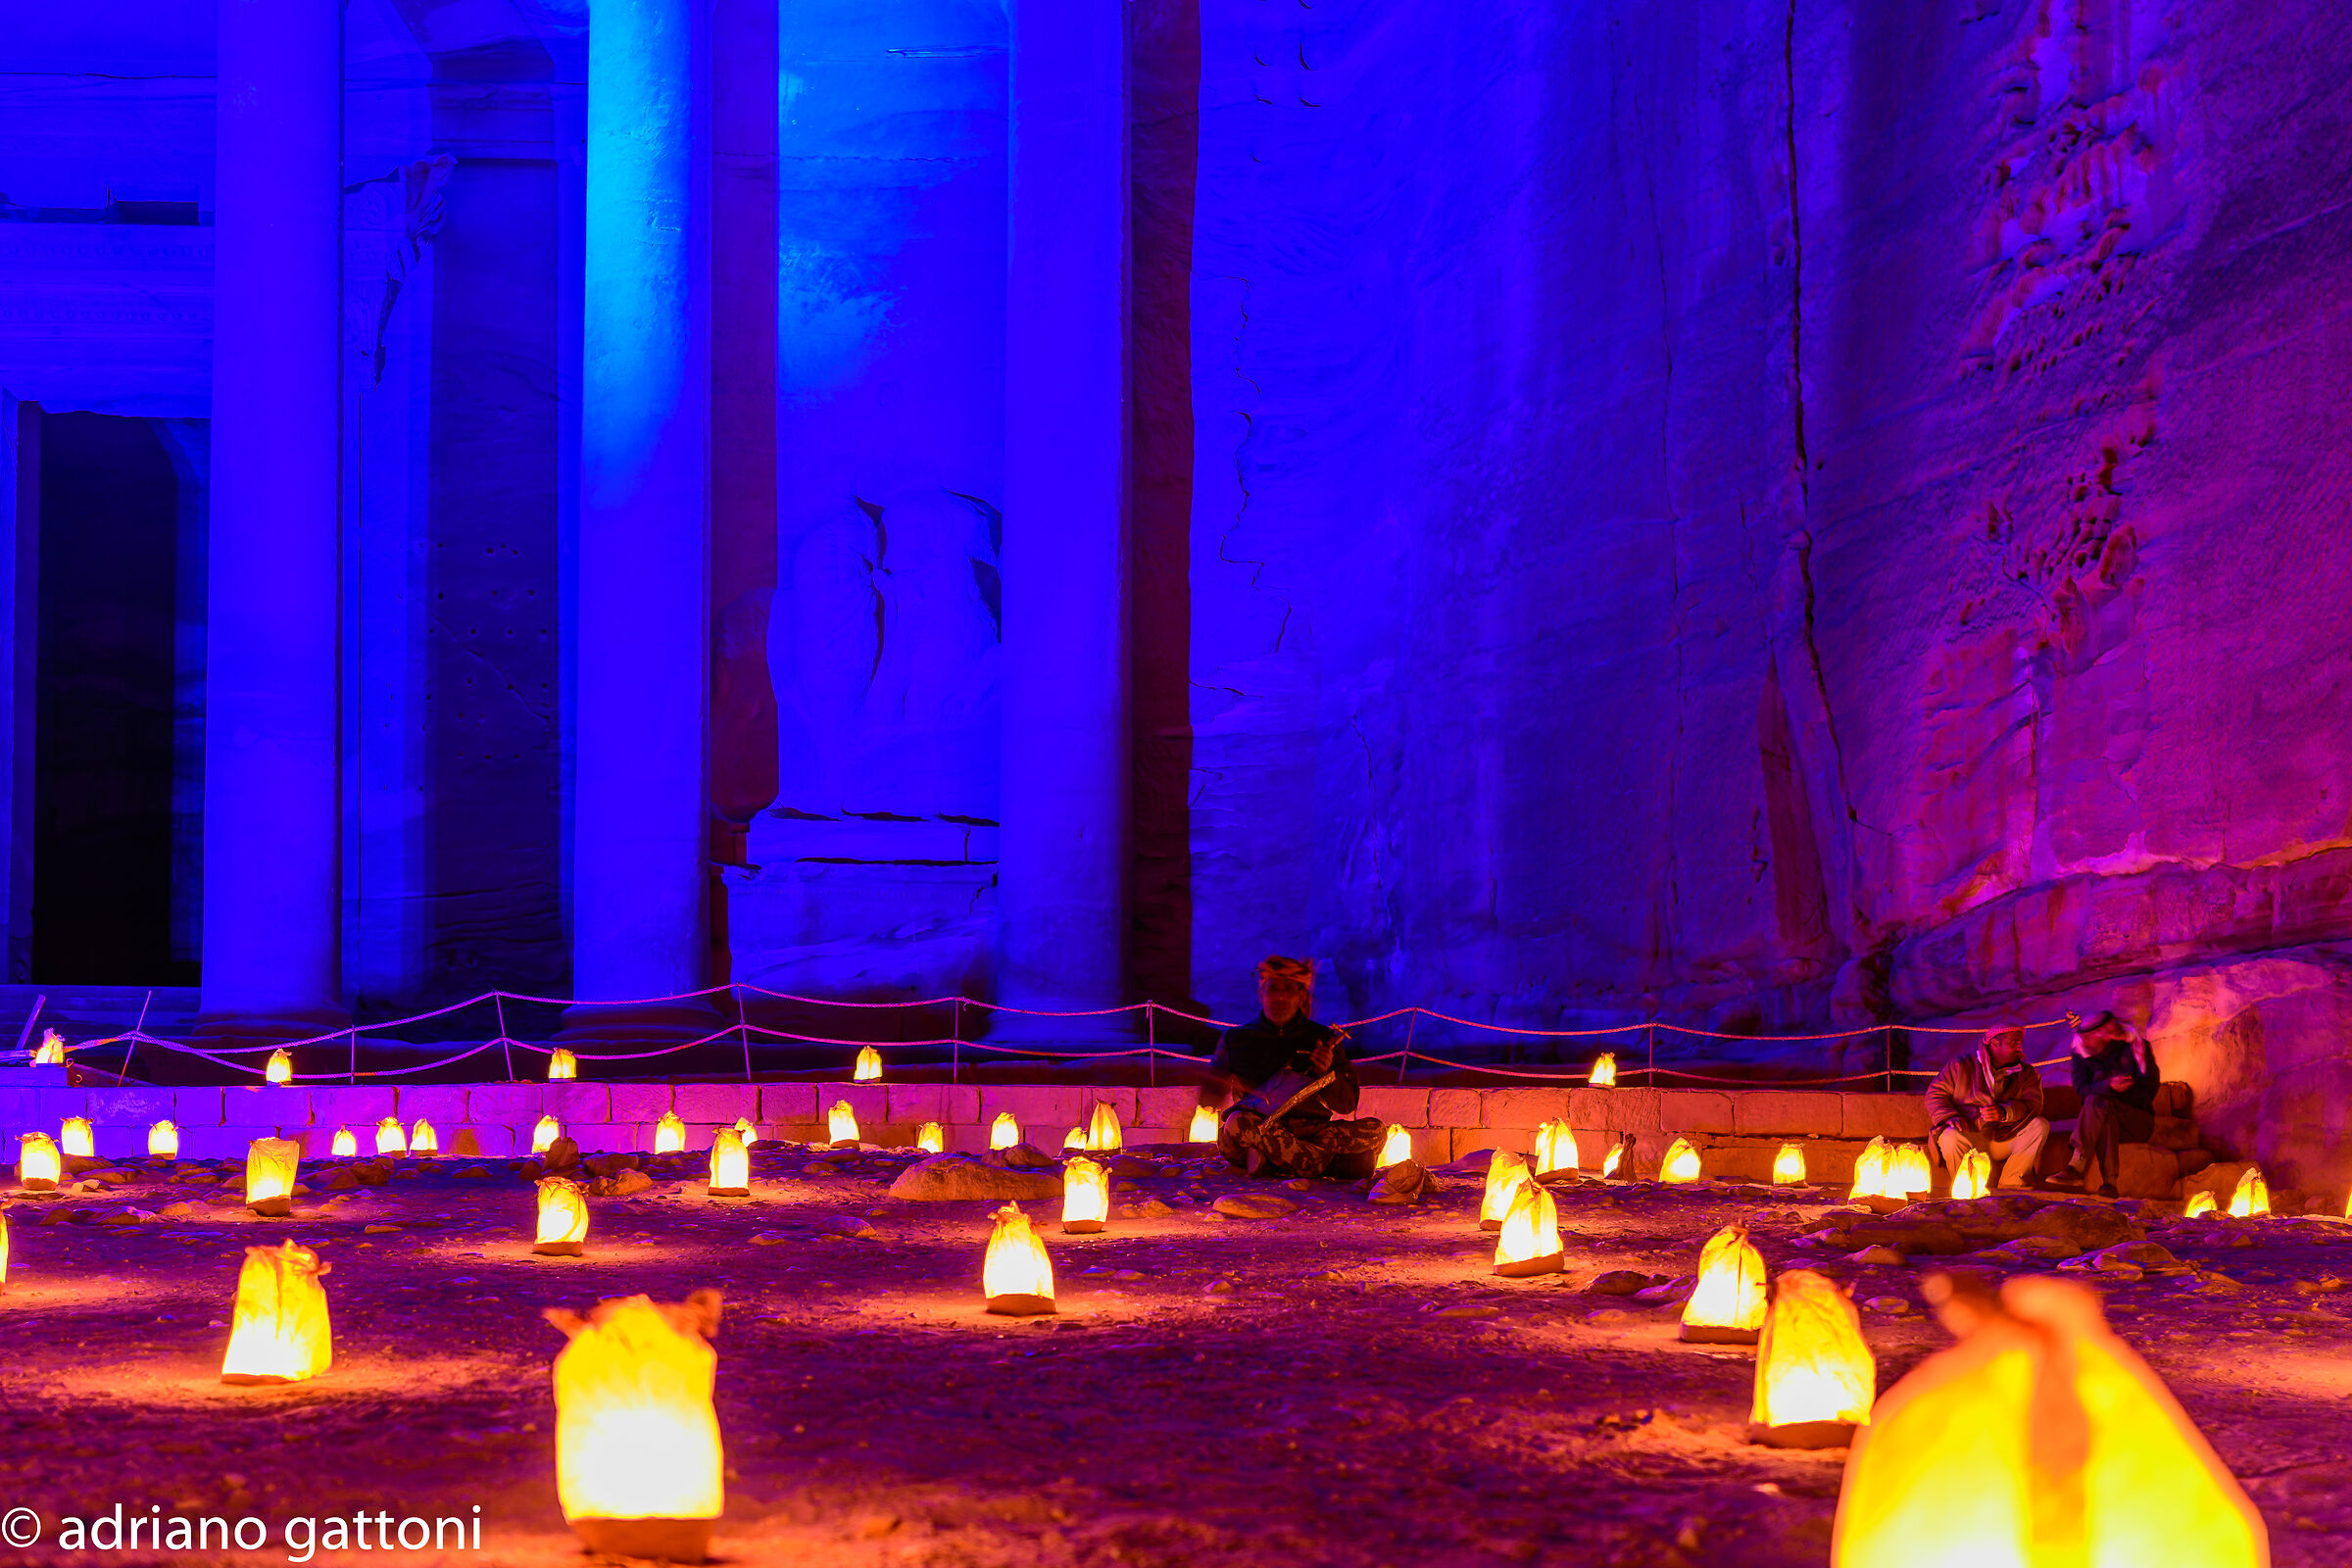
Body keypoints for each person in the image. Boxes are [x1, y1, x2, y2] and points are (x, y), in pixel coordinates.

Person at [1200, 956, 1387, 1180]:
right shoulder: (1237, 1039)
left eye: (1288, 989)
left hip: (1311, 1133)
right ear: (1261, 994)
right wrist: (1212, 1084)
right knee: (1237, 1124)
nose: (1279, 996)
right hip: (1260, 1128)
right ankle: (1331, 1165)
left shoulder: (1323, 1039)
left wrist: (1327, 1074)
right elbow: (1209, 1098)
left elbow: (1347, 1105)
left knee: (1376, 1130)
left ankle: (1272, 1162)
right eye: (1273, 989)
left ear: (1301, 995)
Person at [2048, 1010, 2159, 1199]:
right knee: (2101, 1107)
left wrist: (2123, 1090)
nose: (2087, 1041)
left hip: (2137, 1120)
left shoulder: (2135, 1047)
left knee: (2098, 1102)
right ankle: (2109, 1185)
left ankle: (2076, 1166)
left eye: (2093, 1036)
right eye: (2085, 1037)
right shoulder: (2081, 1054)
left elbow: (2148, 1091)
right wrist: (2108, 1086)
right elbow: (2082, 1088)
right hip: (2101, 1118)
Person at [1924, 1026, 2050, 1190]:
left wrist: (2005, 1113)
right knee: (1949, 1138)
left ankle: (2011, 1184)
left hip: (2004, 1137)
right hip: (1969, 1135)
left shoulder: (2027, 1074)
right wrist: (1951, 1117)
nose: (2020, 1048)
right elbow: (1935, 1094)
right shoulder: (1960, 1066)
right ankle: (1966, 1189)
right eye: (2014, 1043)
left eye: (2021, 1043)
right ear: (1995, 1043)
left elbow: (2034, 1105)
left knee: (2040, 1125)